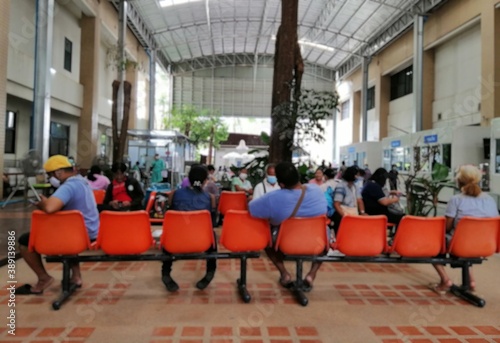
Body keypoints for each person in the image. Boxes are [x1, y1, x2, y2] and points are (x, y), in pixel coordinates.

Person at [16, 155, 99, 295]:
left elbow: (50, 208)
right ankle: (76, 276)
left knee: (24, 241)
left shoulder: (69, 185)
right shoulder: (81, 182)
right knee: (67, 229)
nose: (50, 179)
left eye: (50, 175)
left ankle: (44, 278)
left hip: (79, 235)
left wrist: (43, 204)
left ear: (59, 173)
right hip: (88, 231)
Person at [249, 162, 327, 291]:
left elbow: (252, 209)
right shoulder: (316, 190)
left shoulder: (273, 197)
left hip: (286, 242)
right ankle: (311, 274)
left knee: (267, 242)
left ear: (281, 184)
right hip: (317, 241)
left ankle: (284, 274)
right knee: (327, 234)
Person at [430, 165, 498, 294]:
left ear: (459, 181)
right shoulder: (490, 200)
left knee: (434, 242)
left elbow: (447, 226)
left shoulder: (456, 200)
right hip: (487, 245)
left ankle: (445, 280)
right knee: (469, 239)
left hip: (461, 245)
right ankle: (471, 280)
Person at [161, 165, 217, 292]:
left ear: (188, 179)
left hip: (175, 241)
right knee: (212, 234)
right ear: (204, 181)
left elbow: (168, 215)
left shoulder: (174, 194)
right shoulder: (210, 198)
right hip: (201, 241)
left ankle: (165, 273)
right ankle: (210, 271)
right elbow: (212, 222)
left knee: (169, 231)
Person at [331, 166, 367, 235]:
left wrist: (362, 212)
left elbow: (359, 200)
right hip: (342, 215)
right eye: (357, 175)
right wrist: (345, 216)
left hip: (353, 213)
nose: (358, 177)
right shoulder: (341, 186)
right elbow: (336, 204)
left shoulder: (355, 186)